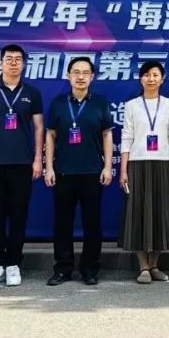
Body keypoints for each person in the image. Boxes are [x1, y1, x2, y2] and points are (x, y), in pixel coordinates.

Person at [0, 44, 44, 287]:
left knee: (18, 214)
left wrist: (38, 159)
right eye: (9, 59)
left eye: (18, 59)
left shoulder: (32, 93)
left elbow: (38, 128)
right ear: (0, 62)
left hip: (22, 163)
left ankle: (13, 263)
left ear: (23, 63)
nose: (13, 63)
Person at [44, 56, 114, 286]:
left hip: (92, 172)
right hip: (63, 172)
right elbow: (50, 135)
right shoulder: (58, 103)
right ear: (68, 75)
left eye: (85, 73)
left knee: (92, 223)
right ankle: (62, 268)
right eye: (76, 72)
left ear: (92, 77)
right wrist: (49, 167)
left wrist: (107, 167)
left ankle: (90, 269)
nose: (81, 77)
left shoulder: (100, 103)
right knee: (62, 223)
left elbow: (107, 135)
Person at [118, 60, 169, 283]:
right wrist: (123, 169)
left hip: (162, 162)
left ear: (162, 79)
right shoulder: (132, 105)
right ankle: (143, 267)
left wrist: (160, 146)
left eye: (155, 75)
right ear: (140, 79)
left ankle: (154, 265)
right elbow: (127, 137)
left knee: (160, 214)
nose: (151, 79)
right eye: (146, 75)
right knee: (138, 214)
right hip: (137, 163)